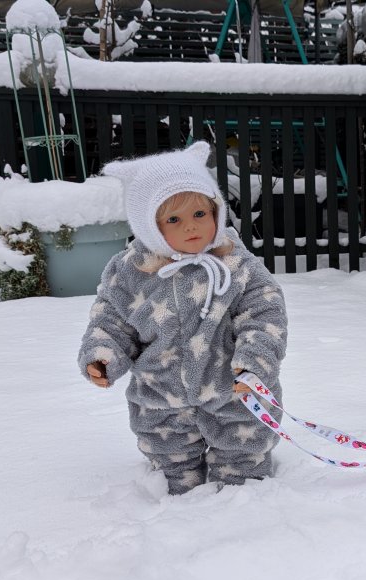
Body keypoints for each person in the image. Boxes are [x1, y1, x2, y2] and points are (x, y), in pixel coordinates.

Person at [78, 142, 287, 494]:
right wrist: (102, 356)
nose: (191, 226)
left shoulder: (237, 265)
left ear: (216, 210)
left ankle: (243, 499)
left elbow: (265, 314)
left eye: (200, 214)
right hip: (160, 395)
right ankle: (177, 496)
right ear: (148, 224)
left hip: (232, 391)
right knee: (170, 465)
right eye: (173, 219)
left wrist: (254, 361)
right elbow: (111, 320)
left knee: (244, 458)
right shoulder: (131, 270)